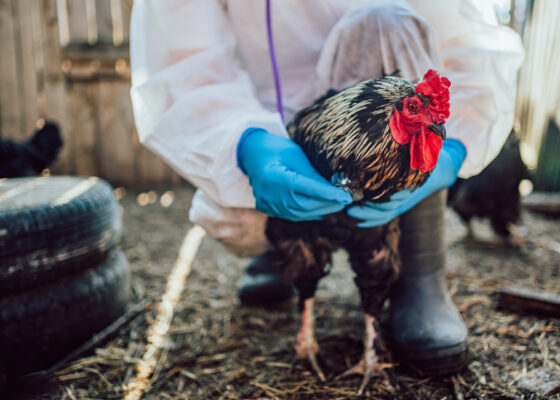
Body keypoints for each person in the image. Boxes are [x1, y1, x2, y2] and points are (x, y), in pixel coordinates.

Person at [129, 0, 524, 375]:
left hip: (382, 122)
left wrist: (453, 146)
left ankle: (420, 272)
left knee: (390, 19)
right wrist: (245, 141)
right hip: (269, 114)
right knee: (236, 216)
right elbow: (182, 58)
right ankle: (280, 253)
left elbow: (465, 37)